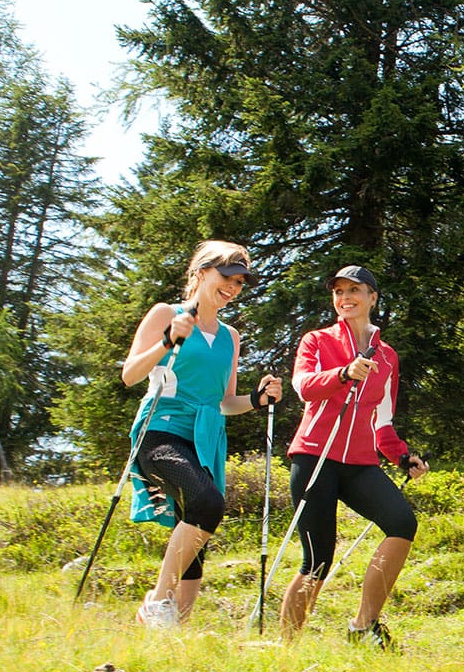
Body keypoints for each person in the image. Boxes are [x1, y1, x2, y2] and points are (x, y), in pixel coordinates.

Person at [122, 240, 283, 628]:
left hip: (205, 438)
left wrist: (258, 400)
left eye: (241, 282)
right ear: (201, 273)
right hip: (160, 430)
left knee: (196, 519)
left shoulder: (230, 336)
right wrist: (167, 341)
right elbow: (130, 375)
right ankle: (157, 604)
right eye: (227, 277)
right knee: (208, 503)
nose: (233, 287)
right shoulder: (167, 313)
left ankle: (176, 627)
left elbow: (225, 402)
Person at [280, 264, 428, 648]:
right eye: (338, 292)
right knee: (318, 560)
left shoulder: (387, 356)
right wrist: (343, 373)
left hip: (361, 463)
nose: (345, 298)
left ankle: (364, 626)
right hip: (314, 457)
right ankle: (286, 649)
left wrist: (402, 456)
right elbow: (304, 387)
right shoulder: (316, 341)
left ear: (372, 298)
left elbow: (383, 421)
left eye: (354, 291)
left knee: (401, 523)